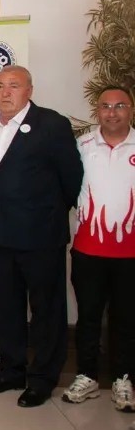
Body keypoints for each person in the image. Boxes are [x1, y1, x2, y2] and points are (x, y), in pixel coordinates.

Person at [0, 66, 82, 408]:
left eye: (14, 86)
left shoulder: (51, 125)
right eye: (0, 85)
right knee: (6, 308)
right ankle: (11, 370)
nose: (5, 92)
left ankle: (42, 378)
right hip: (0, 235)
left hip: (40, 236)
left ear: (29, 90)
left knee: (46, 310)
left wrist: (45, 213)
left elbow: (71, 179)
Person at [62, 86, 135, 412]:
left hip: (130, 253)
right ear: (97, 111)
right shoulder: (82, 146)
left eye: (120, 106)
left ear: (130, 110)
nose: (112, 112)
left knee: (126, 319)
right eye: (105, 106)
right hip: (89, 249)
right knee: (89, 317)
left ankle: (123, 379)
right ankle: (87, 376)